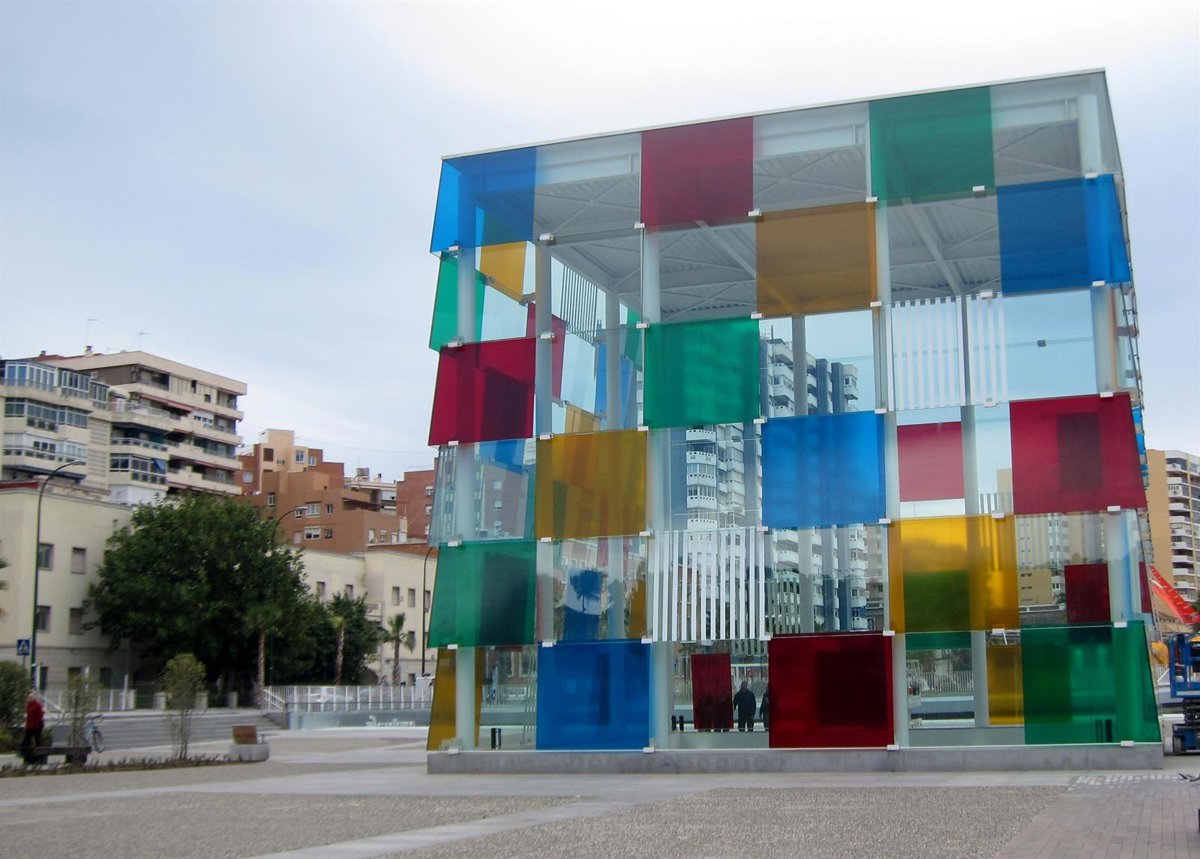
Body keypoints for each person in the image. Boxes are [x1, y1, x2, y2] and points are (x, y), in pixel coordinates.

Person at [21, 692, 45, 762]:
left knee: (38, 739)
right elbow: (28, 715)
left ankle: (40, 754)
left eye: (30, 698)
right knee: (27, 739)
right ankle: (25, 752)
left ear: (33, 698)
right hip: (29, 725)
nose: (28, 699)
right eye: (28, 698)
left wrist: (37, 723)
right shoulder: (28, 705)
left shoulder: (37, 705)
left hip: (36, 726)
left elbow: (41, 715)